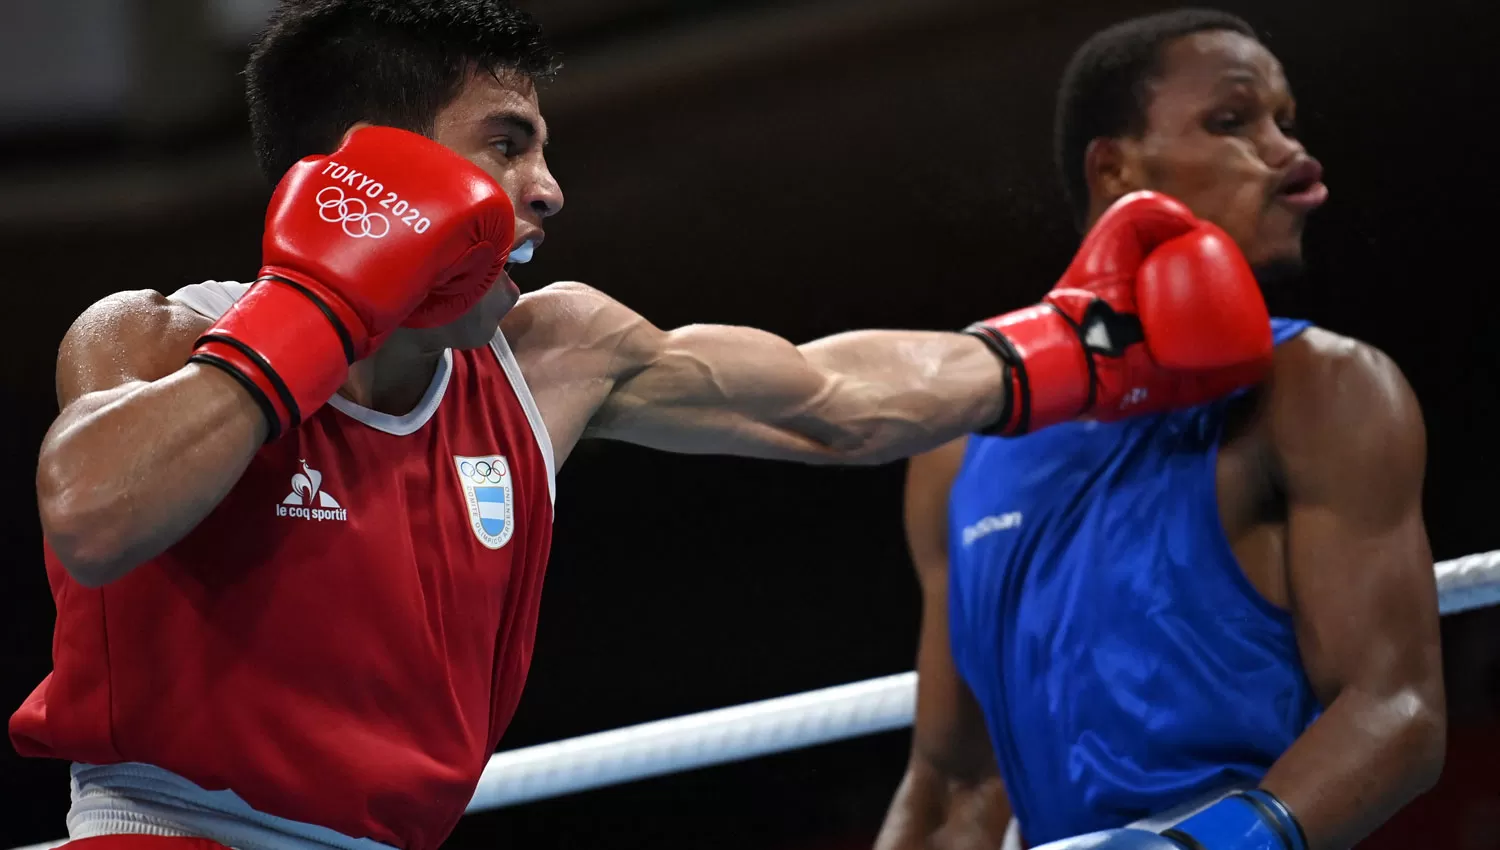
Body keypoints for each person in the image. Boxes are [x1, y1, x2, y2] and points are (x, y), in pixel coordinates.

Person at [9, 3, 1275, 850]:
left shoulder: (552, 357)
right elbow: (95, 513)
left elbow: (834, 400)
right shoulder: (163, 335)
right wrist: (322, 304)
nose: (550, 188)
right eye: (506, 144)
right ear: (377, 163)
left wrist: (1084, 347)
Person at [874, 9, 1445, 850]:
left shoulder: (1323, 386)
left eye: (1286, 122)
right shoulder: (957, 450)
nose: (1287, 152)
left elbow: (1396, 712)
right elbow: (958, 777)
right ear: (1116, 170)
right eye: (1232, 122)